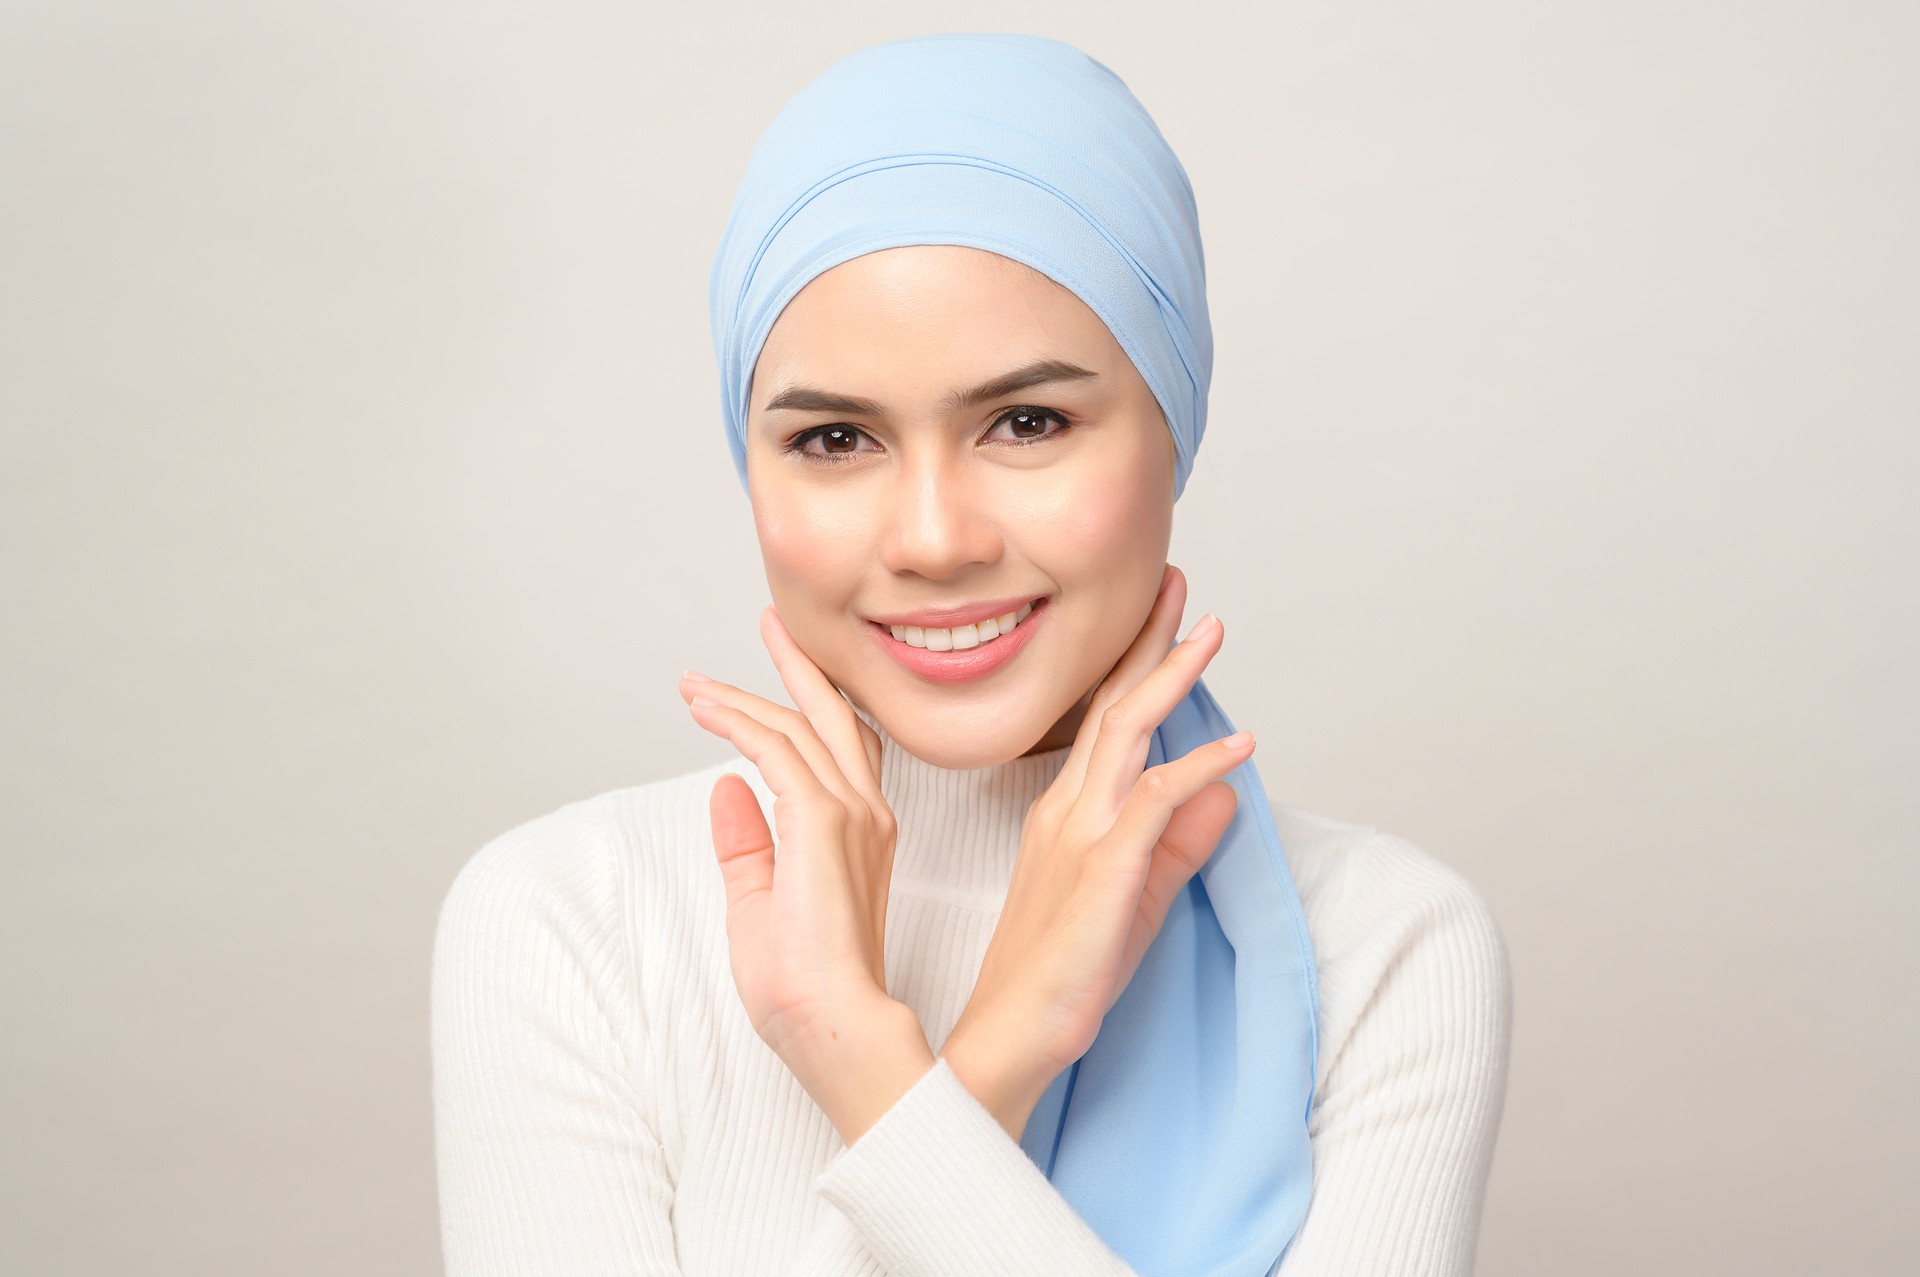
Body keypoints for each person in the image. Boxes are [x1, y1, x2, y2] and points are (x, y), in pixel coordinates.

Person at [431, 33, 1512, 1277]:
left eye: (1029, 421)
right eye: (836, 438)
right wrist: (980, 1061)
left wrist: (884, 1086)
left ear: (1175, 428)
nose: (935, 540)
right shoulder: (573, 921)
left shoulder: (1381, 948)